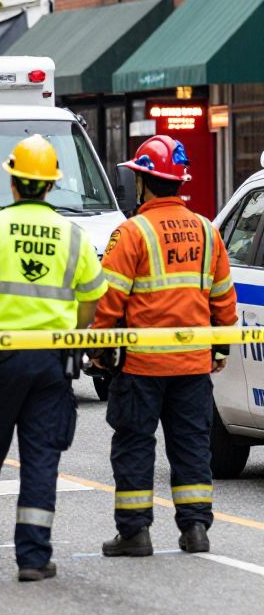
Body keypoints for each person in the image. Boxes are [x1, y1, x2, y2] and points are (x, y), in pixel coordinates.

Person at [0, 135, 106, 582]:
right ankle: (33, 560)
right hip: (51, 363)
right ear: (50, 186)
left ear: (14, 181)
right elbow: (93, 297)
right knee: (40, 461)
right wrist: (75, 334)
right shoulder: (73, 235)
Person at [91, 135, 237, 557]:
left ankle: (135, 533)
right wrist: (220, 348)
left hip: (141, 367)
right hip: (193, 366)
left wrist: (98, 347)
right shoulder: (207, 231)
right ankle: (195, 529)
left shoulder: (131, 232)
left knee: (135, 446)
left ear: (145, 182)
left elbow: (109, 300)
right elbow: (223, 299)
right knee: (191, 446)